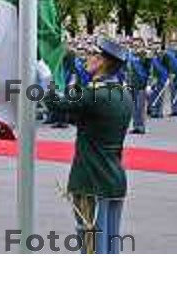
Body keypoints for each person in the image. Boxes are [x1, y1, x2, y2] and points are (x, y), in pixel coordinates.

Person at [40, 37, 133, 254]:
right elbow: (87, 119)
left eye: (91, 54)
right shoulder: (122, 93)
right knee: (109, 244)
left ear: (101, 60)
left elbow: (57, 105)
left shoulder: (94, 94)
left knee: (92, 246)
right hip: (114, 178)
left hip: (92, 179)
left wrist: (45, 79)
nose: (86, 58)